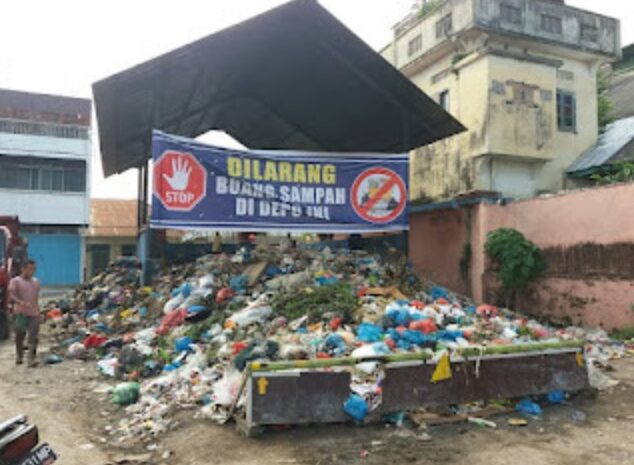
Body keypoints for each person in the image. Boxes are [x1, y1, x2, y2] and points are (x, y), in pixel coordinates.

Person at [8, 259, 40, 367]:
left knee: (33, 336)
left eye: (33, 269)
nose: (32, 272)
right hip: (20, 313)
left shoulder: (35, 282)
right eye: (30, 269)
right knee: (20, 335)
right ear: (23, 269)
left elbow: (36, 297)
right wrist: (20, 302)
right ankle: (19, 356)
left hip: (34, 313)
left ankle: (31, 359)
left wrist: (38, 310)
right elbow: (11, 295)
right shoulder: (15, 281)